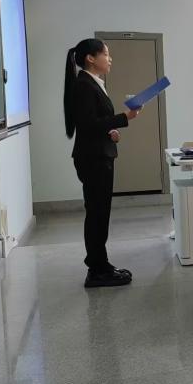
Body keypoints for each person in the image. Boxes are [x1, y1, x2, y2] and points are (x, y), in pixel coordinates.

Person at [63, 38, 140, 288]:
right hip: (93, 158)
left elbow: (95, 123)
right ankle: (97, 270)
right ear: (90, 58)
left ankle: (101, 264)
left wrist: (111, 131)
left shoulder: (92, 83)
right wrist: (123, 118)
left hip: (99, 154)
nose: (110, 59)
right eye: (106, 54)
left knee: (100, 213)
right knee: (97, 214)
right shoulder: (84, 85)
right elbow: (87, 125)